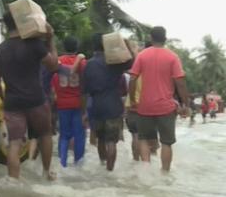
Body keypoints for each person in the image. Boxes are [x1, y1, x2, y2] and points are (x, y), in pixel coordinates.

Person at [0, 12, 58, 180]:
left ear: (6, 25)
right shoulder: (34, 44)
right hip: (36, 99)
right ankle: (46, 173)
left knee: (14, 143)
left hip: (13, 103)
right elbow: (53, 66)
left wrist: (4, 98)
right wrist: (50, 40)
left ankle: (13, 180)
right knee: (45, 134)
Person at [129, 26, 190, 172]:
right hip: (166, 107)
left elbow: (132, 79)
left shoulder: (142, 56)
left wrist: (132, 100)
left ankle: (146, 172)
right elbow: (180, 83)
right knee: (166, 143)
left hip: (145, 106)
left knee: (143, 139)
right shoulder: (172, 57)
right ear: (165, 38)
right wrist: (185, 104)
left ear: (151, 38)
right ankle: (165, 174)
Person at [83, 33, 134, 171]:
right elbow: (131, 62)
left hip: (96, 106)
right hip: (113, 105)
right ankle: (109, 171)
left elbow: (84, 91)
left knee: (100, 139)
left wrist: (84, 112)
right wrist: (125, 44)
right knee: (111, 142)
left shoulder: (88, 65)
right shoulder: (113, 63)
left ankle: (101, 164)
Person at [51, 37, 87, 167]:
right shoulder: (83, 63)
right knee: (79, 135)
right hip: (78, 103)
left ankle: (62, 163)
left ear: (64, 47)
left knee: (64, 135)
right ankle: (78, 164)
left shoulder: (57, 62)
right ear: (77, 47)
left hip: (62, 103)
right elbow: (85, 84)